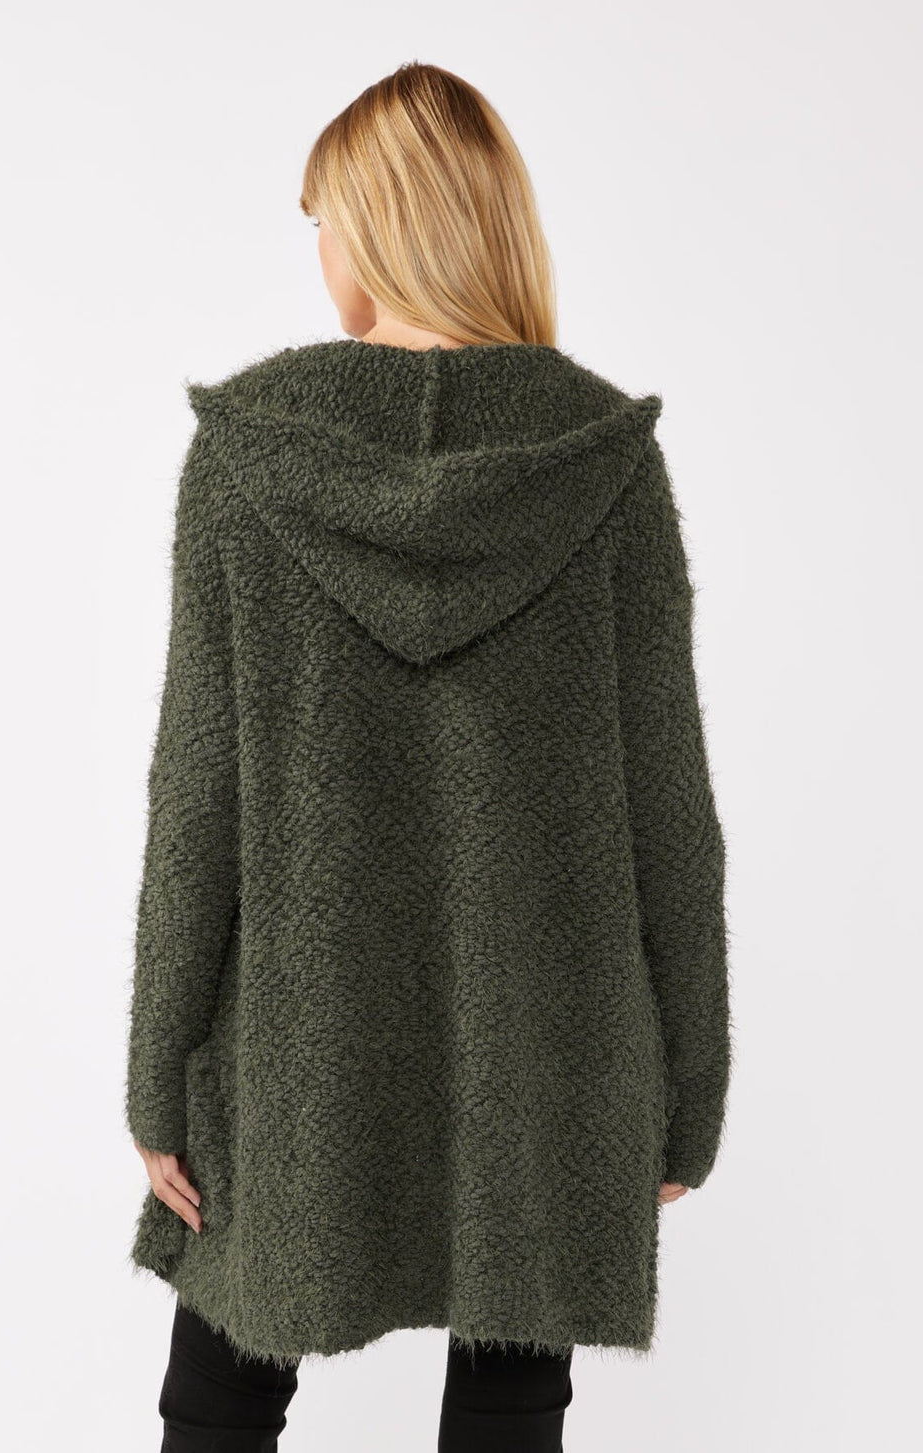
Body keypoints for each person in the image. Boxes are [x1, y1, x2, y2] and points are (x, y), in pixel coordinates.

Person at [124, 60, 732, 1453]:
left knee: (221, 1390)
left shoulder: (250, 459)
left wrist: (158, 1070)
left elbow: (196, 797)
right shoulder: (601, 460)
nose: (321, 254)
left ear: (379, 228)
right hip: (551, 1035)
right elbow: (671, 808)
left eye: (325, 221)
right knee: (512, 1401)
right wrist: (687, 1090)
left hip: (297, 1034)